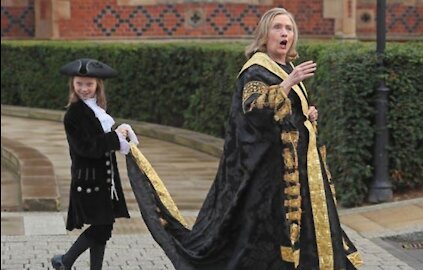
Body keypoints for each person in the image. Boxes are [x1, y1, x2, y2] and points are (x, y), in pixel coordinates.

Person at [126, 7, 363, 270]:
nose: (284, 33)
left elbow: (285, 113)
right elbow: (254, 109)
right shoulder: (256, 70)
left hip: (298, 171)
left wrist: (306, 113)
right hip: (272, 178)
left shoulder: (286, 66)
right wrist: (287, 85)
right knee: (268, 239)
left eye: (289, 28)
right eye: (277, 27)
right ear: (265, 35)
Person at [51, 58, 137, 270]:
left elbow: (102, 140)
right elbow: (86, 147)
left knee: (103, 228)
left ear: (98, 85)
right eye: (79, 83)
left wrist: (118, 133)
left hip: (104, 180)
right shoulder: (74, 114)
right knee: (102, 227)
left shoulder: (97, 109)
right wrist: (115, 137)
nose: (84, 88)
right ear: (72, 84)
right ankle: (65, 261)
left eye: (89, 84)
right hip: (88, 180)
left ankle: (81, 265)